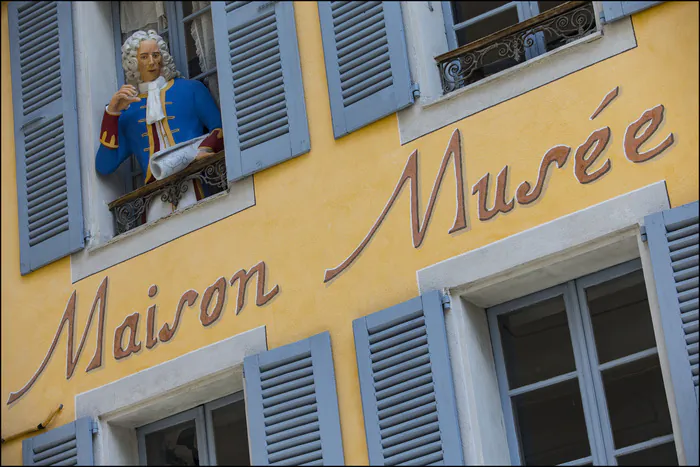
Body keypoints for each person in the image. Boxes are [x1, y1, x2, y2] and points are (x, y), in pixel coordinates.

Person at [95, 30, 224, 222]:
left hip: (195, 183)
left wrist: (203, 149)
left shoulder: (190, 90)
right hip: (155, 199)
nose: (152, 62)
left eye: (156, 55)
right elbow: (104, 165)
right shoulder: (129, 112)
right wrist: (111, 113)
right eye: (144, 57)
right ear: (134, 62)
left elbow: (220, 128)